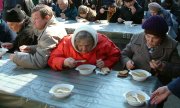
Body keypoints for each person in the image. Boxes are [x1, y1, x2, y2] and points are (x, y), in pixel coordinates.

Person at [121, 15, 180, 85]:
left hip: (158, 84)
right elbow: (124, 54)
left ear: (162, 37)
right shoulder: (137, 37)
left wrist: (162, 66)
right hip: (135, 79)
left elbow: (177, 70)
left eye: (155, 38)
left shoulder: (171, 44)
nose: (150, 40)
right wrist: (127, 62)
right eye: (147, 36)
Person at [8, 4, 67, 69]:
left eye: (36, 19)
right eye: (32, 19)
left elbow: (39, 62)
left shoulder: (48, 34)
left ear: (47, 18)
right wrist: (31, 48)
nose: (33, 22)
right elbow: (51, 48)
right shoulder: (56, 25)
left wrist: (16, 58)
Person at [48, 25, 120, 71]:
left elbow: (116, 55)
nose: (84, 49)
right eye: (80, 45)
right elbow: (52, 59)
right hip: (71, 79)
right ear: (75, 42)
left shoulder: (103, 42)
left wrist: (105, 63)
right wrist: (64, 62)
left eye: (88, 45)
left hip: (97, 79)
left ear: (94, 42)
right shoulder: (66, 43)